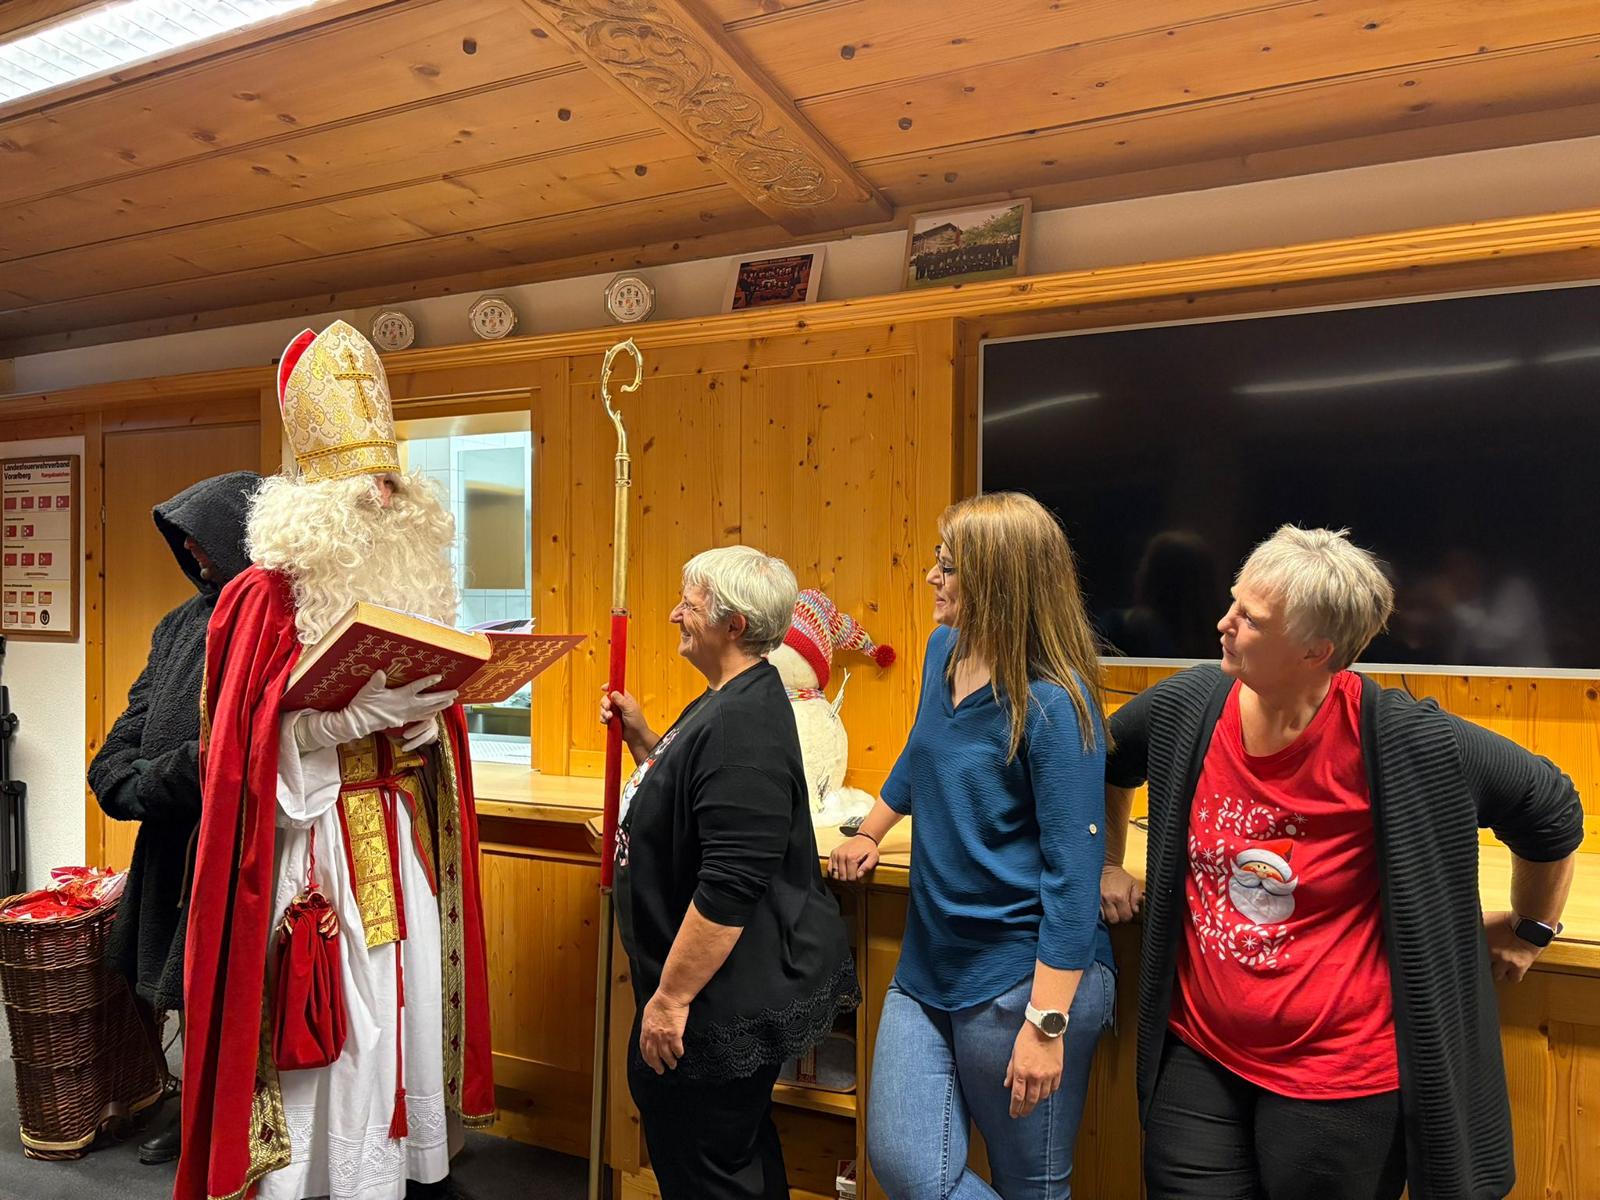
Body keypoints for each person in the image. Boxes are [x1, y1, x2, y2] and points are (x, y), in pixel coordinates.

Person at [1098, 525, 1582, 1200]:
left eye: (1250, 619)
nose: (1224, 623)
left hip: (1339, 1082)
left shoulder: (1405, 740)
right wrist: (1108, 860)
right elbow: (1104, 760)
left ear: (1315, 651)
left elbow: (1550, 808)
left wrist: (1532, 928)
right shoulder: (1191, 704)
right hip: (1201, 1055)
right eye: (1234, 602)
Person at [176, 321, 494, 1200]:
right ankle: (307, 1181)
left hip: (393, 828)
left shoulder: (409, 584)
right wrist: (329, 727)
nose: (386, 498)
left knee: (396, 1000)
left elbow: (427, 711)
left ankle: (382, 1175)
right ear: (319, 495)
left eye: (392, 481)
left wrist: (426, 733)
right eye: (368, 485)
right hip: (309, 844)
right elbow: (234, 749)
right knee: (328, 1018)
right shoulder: (260, 595)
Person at [830, 492, 1115, 1200]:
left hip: (1022, 977)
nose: (932, 576)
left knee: (1031, 1186)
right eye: (937, 560)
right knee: (906, 1170)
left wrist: (1045, 1025)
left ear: (999, 581)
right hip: (930, 964)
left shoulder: (1056, 702)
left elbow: (1074, 876)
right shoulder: (943, 650)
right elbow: (923, 750)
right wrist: (872, 829)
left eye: (949, 566)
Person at [600, 545, 859, 1200]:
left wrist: (669, 1001)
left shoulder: (741, 726)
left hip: (717, 998)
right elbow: (697, 794)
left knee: (709, 1167)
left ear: (733, 625)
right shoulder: (731, 696)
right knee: (733, 1156)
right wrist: (644, 741)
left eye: (688, 605)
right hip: (715, 988)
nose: (673, 615)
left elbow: (731, 884)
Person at [88, 469, 261, 1166]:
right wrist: (122, 782)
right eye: (182, 539)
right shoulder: (178, 625)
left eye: (199, 537)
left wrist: (153, 782)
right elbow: (127, 732)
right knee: (174, 987)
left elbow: (229, 747)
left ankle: (225, 1120)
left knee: (222, 990)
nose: (190, 550)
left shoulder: (266, 623)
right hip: (165, 839)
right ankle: (188, 1108)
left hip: (223, 841)